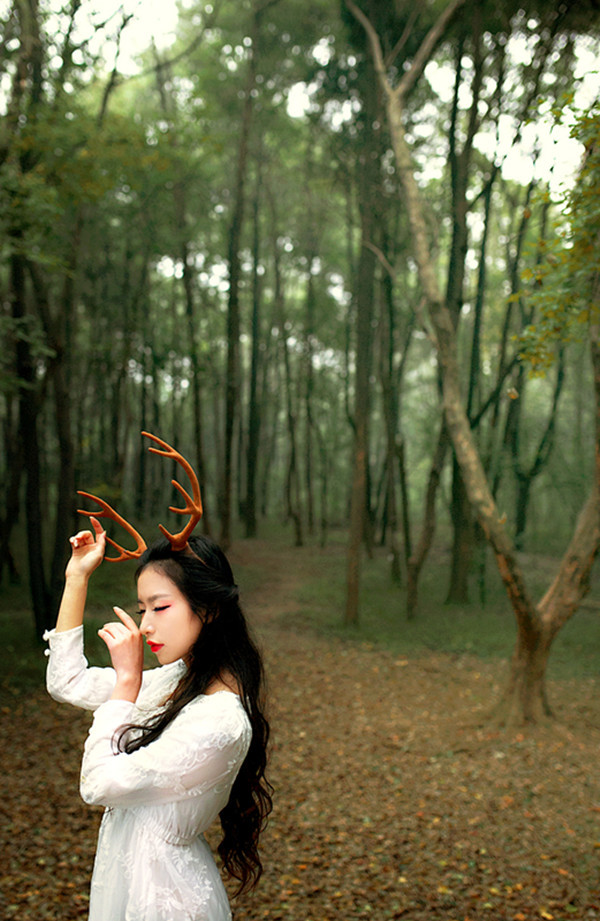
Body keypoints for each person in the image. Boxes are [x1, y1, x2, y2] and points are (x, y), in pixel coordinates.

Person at [44, 514, 272, 921]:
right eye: (142, 608)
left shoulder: (221, 723)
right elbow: (68, 681)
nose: (146, 625)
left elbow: (98, 784)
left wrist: (127, 684)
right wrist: (77, 577)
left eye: (161, 607)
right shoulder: (180, 679)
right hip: (128, 889)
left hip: (167, 902)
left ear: (209, 608)